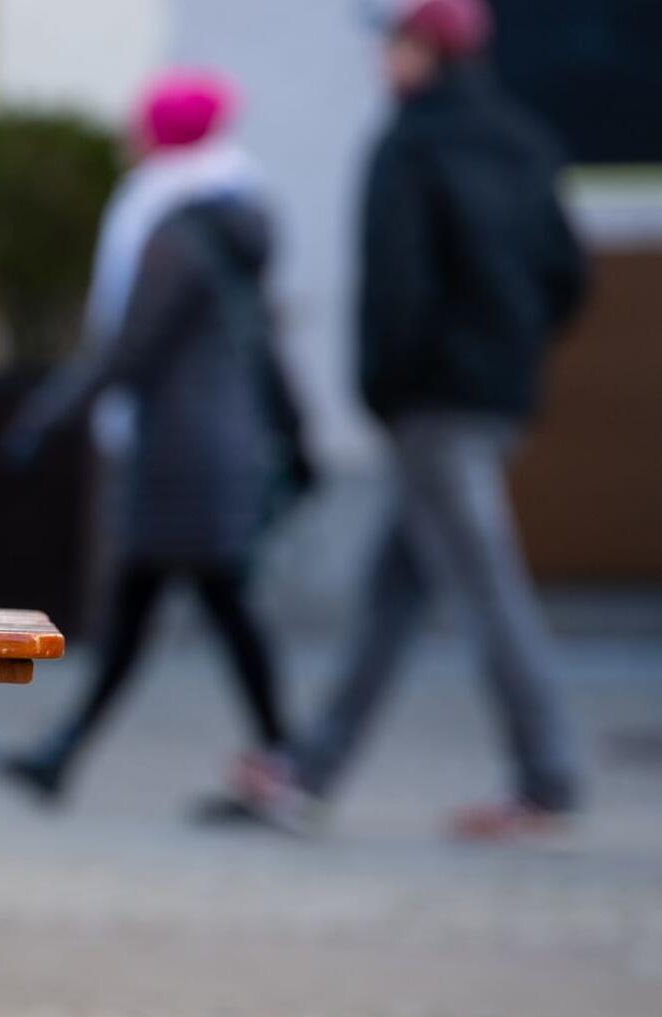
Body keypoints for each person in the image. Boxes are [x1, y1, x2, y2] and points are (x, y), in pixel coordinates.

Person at [237, 0, 587, 841]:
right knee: (394, 591)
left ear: (427, 50)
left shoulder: (410, 144)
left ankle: (548, 777)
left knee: (486, 586)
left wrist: (385, 388)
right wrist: (508, 355)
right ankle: (311, 771)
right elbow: (566, 276)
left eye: (393, 41)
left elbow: (393, 288)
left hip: (433, 406)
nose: (381, 58)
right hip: (493, 399)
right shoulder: (525, 140)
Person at [0, 70, 309, 803]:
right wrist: (296, 435)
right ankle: (62, 754)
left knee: (203, 608)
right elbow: (262, 341)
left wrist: (45, 416)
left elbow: (127, 349)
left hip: (178, 452)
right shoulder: (234, 219)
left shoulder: (172, 230)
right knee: (164, 610)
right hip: (215, 444)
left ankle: (282, 755)